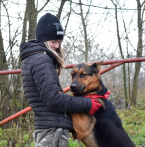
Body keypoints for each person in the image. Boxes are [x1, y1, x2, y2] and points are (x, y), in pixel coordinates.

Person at [20, 13, 102, 147]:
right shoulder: (42, 60)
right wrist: (88, 104)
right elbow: (54, 100)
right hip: (52, 132)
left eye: (59, 42)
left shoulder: (32, 58)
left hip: (46, 129)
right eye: (53, 42)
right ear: (43, 40)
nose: (57, 46)